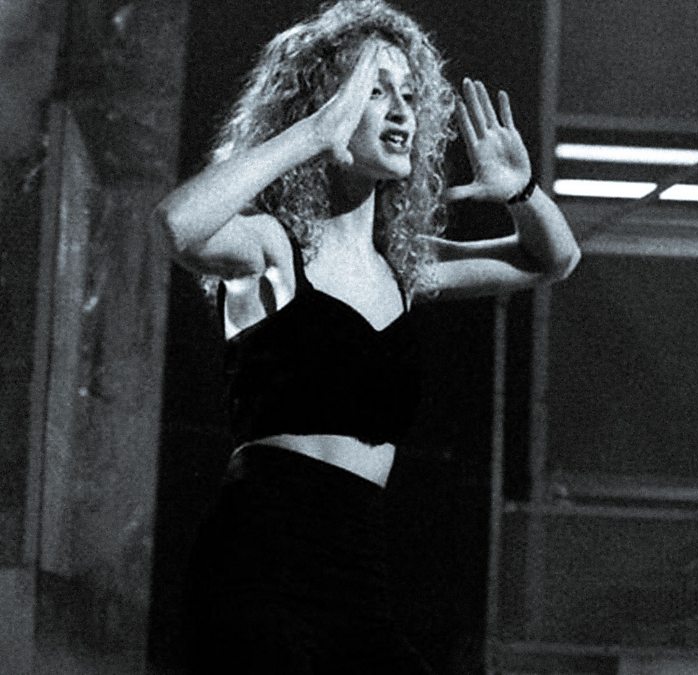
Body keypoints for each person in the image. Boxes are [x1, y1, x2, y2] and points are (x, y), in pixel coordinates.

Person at [154, 1, 579, 672]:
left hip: (358, 570)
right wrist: (312, 134)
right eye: (375, 92)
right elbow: (179, 225)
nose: (402, 112)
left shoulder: (404, 268)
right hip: (260, 560)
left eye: (409, 94)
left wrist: (519, 189)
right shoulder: (273, 245)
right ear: (323, 104)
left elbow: (552, 259)